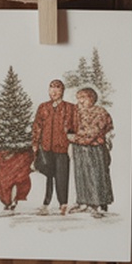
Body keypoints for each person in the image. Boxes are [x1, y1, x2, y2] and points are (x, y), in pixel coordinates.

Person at [31, 78, 77, 214]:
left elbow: (74, 127)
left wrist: (71, 141)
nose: (54, 92)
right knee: (48, 175)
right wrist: (35, 143)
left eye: (57, 90)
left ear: (62, 91)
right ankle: (46, 203)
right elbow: (37, 126)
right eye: (51, 90)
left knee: (62, 176)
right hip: (45, 147)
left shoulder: (70, 108)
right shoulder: (43, 107)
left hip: (62, 147)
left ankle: (63, 204)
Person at [66, 86, 114, 215]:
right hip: (79, 149)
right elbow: (68, 128)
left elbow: (92, 133)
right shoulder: (76, 112)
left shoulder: (100, 112)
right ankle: (83, 202)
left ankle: (98, 204)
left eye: (83, 98)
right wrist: (70, 135)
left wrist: (74, 137)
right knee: (81, 174)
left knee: (96, 175)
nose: (80, 101)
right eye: (78, 98)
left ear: (92, 98)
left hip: (95, 148)